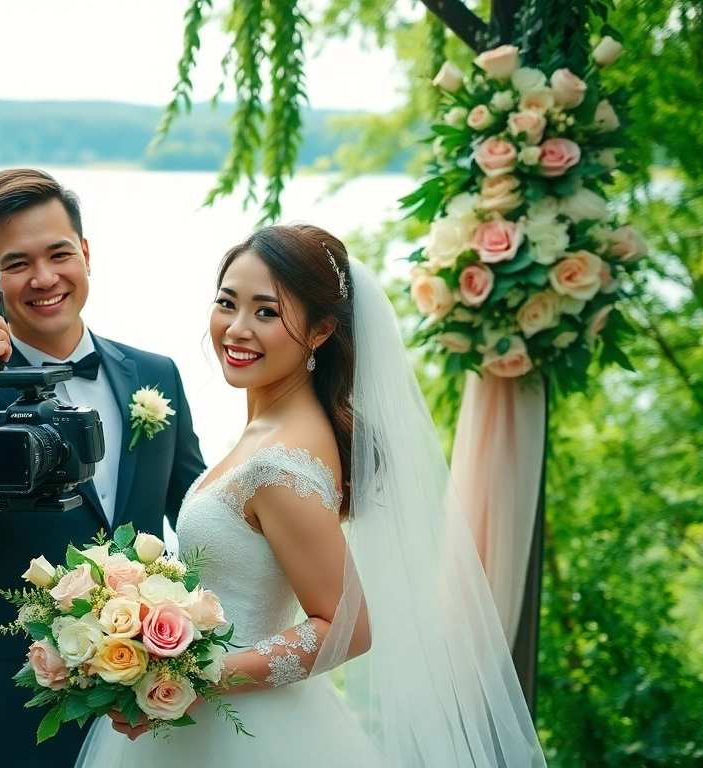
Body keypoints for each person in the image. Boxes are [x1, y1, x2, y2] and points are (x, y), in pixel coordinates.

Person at [77, 224, 546, 767]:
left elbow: (345, 628)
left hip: (242, 734)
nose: (236, 328)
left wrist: (182, 674)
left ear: (321, 331)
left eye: (267, 312)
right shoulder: (273, 430)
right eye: (227, 303)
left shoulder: (281, 462)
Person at [0, 169, 208, 768]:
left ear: (86, 254)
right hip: (9, 723)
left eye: (59, 253)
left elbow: (200, 517)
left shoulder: (157, 376)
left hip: (146, 716)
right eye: (17, 264)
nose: (45, 279)